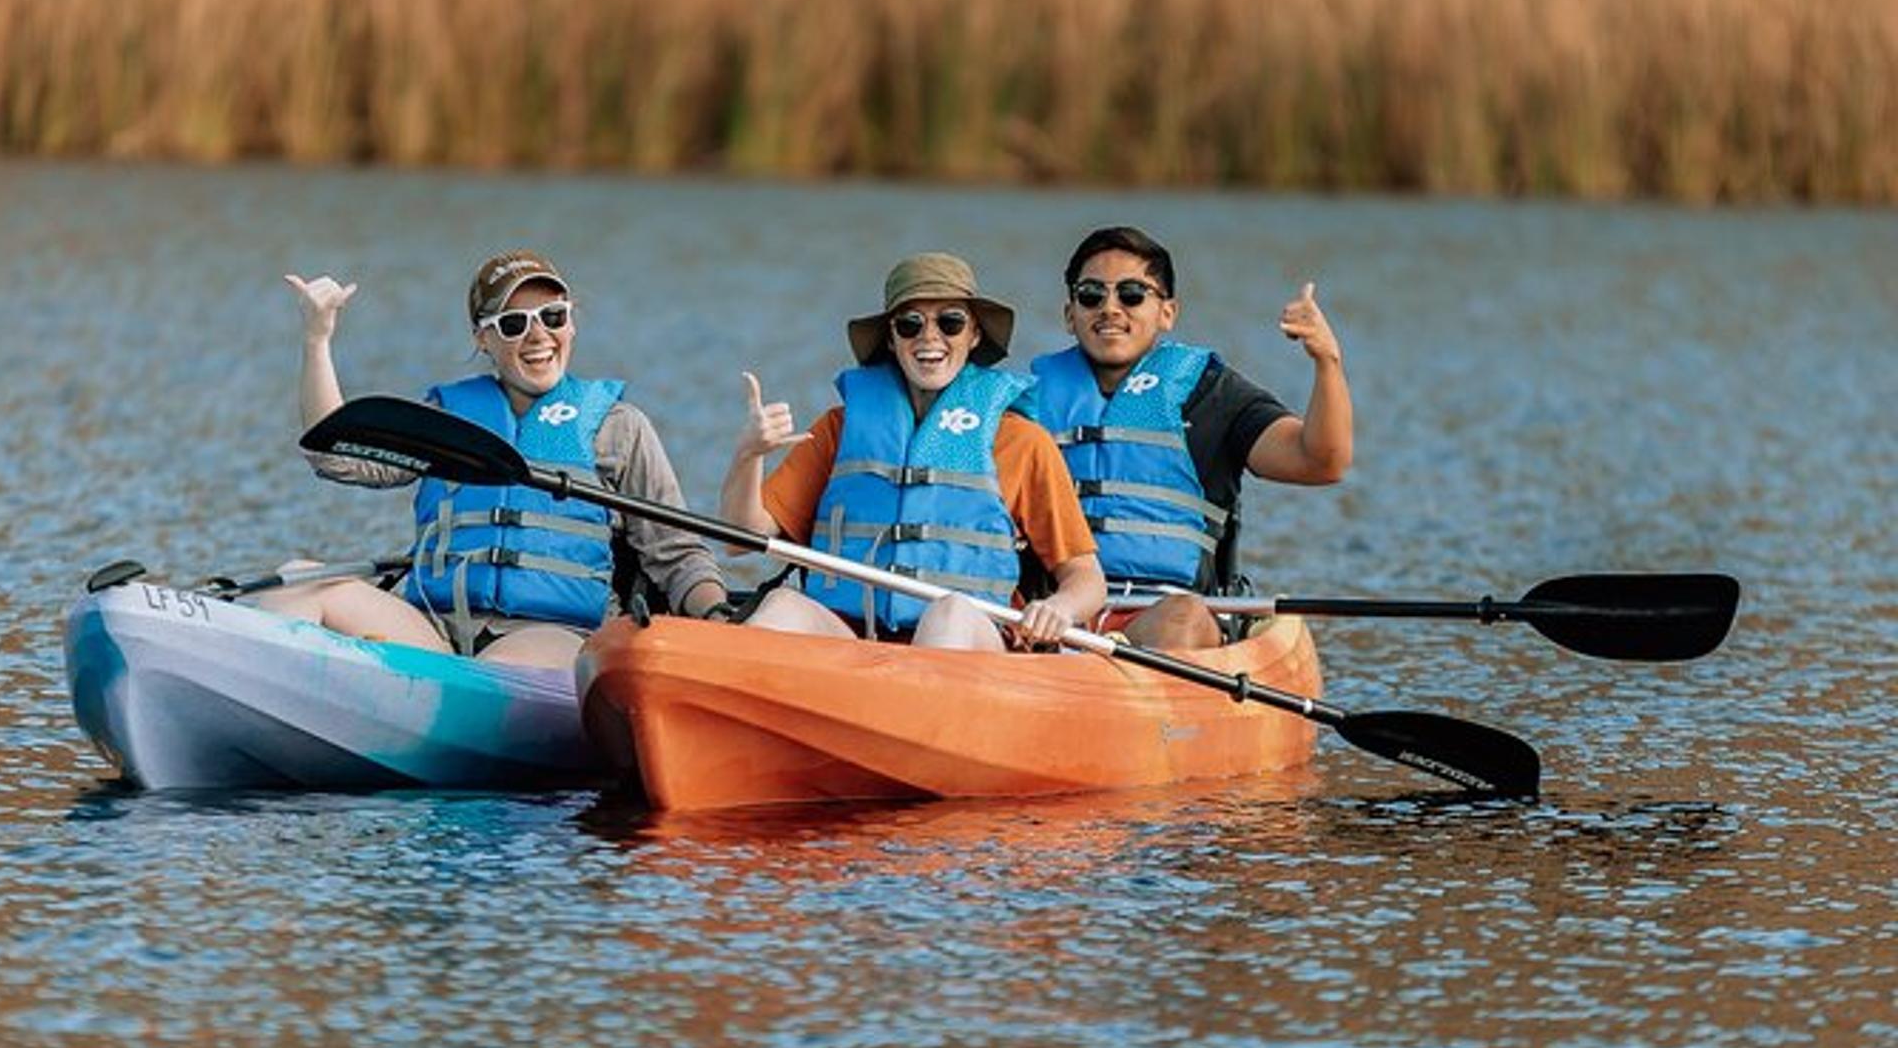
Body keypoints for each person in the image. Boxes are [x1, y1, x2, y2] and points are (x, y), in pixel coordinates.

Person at [257, 250, 732, 668]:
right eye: (513, 323)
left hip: (553, 637)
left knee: (496, 668)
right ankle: (263, 712)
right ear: (483, 339)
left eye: (553, 316)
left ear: (572, 323)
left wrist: (720, 617)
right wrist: (317, 340)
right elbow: (333, 455)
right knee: (297, 581)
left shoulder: (618, 428)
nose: (538, 335)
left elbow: (679, 555)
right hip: (434, 633)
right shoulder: (448, 418)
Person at [722, 252, 1105, 652]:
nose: (929, 338)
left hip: (969, 641)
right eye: (910, 325)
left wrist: (1060, 607)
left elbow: (1086, 578)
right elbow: (740, 541)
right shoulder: (841, 429)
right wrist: (748, 454)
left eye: (950, 322)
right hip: (853, 638)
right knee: (781, 606)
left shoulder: (1022, 442)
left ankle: (921, 706)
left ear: (974, 334)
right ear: (891, 339)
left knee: (949, 614)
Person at [1028, 225, 1352, 650]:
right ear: (1070, 315)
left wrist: (1327, 361)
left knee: (1183, 617)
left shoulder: (1210, 394)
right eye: (1091, 295)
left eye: (1131, 294)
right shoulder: (1028, 403)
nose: (1110, 308)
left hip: (1164, 615)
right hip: (1054, 612)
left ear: (1167, 312)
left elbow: (1320, 461)